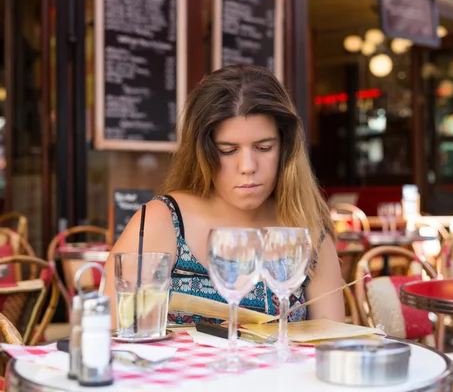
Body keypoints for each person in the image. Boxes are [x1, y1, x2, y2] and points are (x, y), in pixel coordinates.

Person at [104, 64, 345, 327]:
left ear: (286, 149)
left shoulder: (307, 229)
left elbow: (330, 344)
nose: (248, 166)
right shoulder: (162, 222)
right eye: (228, 150)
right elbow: (117, 336)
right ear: (203, 153)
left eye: (264, 147)